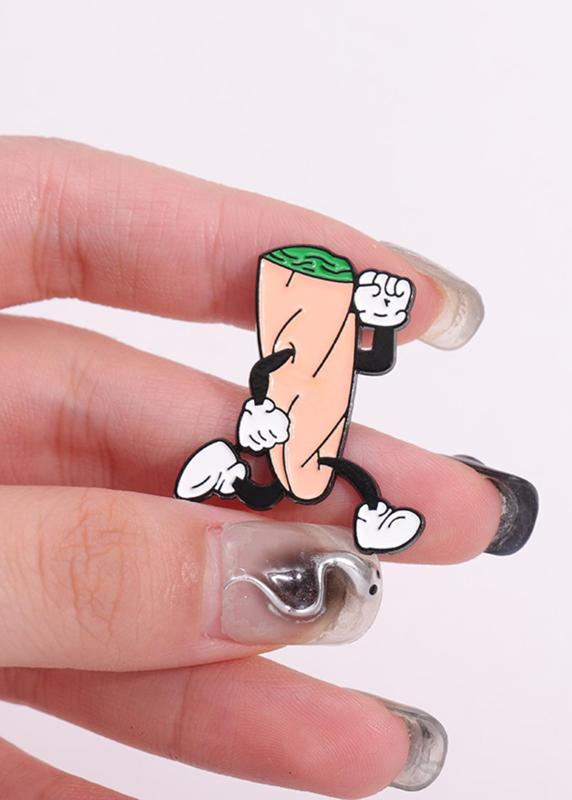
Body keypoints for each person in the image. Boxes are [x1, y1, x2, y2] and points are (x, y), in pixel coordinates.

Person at [0, 137, 537, 797]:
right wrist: (262, 412)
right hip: (279, 440)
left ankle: (354, 506)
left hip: (307, 444)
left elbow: (363, 361)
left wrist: (375, 324)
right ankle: (239, 475)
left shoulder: (333, 352)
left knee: (326, 479)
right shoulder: (285, 358)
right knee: (275, 484)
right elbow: (269, 371)